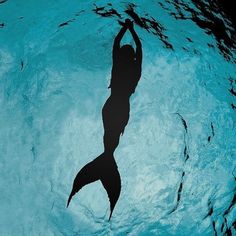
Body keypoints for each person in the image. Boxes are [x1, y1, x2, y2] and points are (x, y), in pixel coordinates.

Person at [67, 19, 142, 220]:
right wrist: (132, 32)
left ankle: (106, 160)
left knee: (110, 132)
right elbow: (137, 48)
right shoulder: (135, 71)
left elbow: (116, 44)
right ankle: (107, 159)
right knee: (112, 133)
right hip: (121, 107)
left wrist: (126, 29)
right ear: (132, 57)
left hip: (111, 106)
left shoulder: (119, 64)